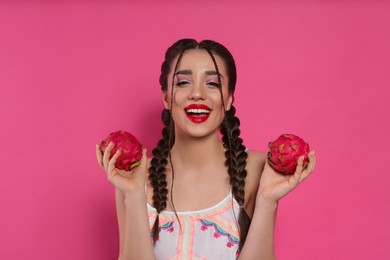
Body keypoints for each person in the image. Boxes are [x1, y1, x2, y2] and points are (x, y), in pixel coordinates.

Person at [96, 39, 316, 260]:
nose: (197, 93)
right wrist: (134, 195)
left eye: (212, 83)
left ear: (229, 99)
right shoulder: (134, 176)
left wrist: (268, 202)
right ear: (166, 98)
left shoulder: (258, 169)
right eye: (183, 82)